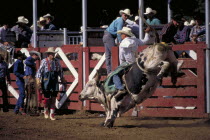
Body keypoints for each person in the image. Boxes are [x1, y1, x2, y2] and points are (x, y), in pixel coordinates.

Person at [113, 27, 151, 96]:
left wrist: (121, 66)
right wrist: (147, 33)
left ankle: (120, 88)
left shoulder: (122, 43)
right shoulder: (135, 40)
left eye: (122, 34)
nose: (121, 35)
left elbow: (121, 57)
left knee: (115, 74)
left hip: (127, 63)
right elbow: (145, 41)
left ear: (125, 35)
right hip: (136, 63)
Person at [36, 47, 64, 120]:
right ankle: (45, 110)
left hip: (54, 80)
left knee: (54, 97)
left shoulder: (57, 61)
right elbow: (39, 71)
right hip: (46, 80)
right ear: (48, 54)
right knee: (47, 97)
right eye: (51, 54)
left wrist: (62, 78)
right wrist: (38, 80)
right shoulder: (44, 61)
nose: (53, 55)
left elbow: (60, 71)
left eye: (53, 54)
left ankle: (52, 113)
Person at [103, 9, 132, 74]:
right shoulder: (121, 21)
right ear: (122, 14)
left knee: (108, 55)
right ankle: (113, 71)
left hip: (107, 35)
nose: (126, 17)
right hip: (110, 36)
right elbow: (119, 33)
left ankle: (109, 71)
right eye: (125, 15)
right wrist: (121, 42)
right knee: (113, 53)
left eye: (127, 16)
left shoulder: (119, 20)